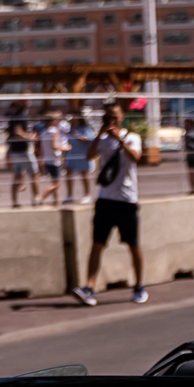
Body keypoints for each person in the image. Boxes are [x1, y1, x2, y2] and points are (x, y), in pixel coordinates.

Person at [71, 109, 147, 307]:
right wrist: (99, 136)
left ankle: (139, 286)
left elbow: (136, 157)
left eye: (114, 117)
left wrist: (119, 140)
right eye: (108, 118)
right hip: (105, 199)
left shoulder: (132, 137)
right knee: (97, 244)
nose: (111, 121)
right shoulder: (103, 140)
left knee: (133, 244)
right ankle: (89, 287)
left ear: (122, 117)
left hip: (127, 200)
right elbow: (89, 156)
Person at [4, 108, 39, 206]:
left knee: (17, 176)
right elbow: (18, 132)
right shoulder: (19, 117)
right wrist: (30, 137)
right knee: (34, 174)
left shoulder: (13, 118)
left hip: (14, 151)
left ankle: (15, 201)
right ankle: (36, 198)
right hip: (23, 151)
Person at [59, 108, 94, 201]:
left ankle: (87, 195)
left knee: (84, 174)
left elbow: (89, 140)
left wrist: (77, 136)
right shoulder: (70, 129)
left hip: (82, 154)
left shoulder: (85, 129)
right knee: (69, 174)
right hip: (71, 154)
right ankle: (69, 195)